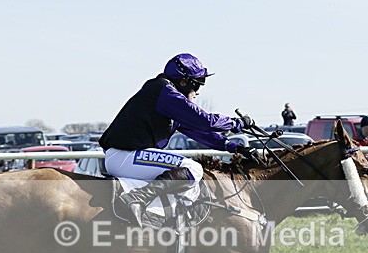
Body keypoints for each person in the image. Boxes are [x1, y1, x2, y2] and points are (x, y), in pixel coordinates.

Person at [99, 53, 256, 226]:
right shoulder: (164, 91)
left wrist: (233, 147)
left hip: (126, 157)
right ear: (183, 82)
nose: (197, 93)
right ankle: (136, 198)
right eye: (196, 85)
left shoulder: (164, 96)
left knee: (189, 169)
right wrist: (236, 123)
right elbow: (204, 121)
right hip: (126, 157)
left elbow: (198, 131)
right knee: (193, 168)